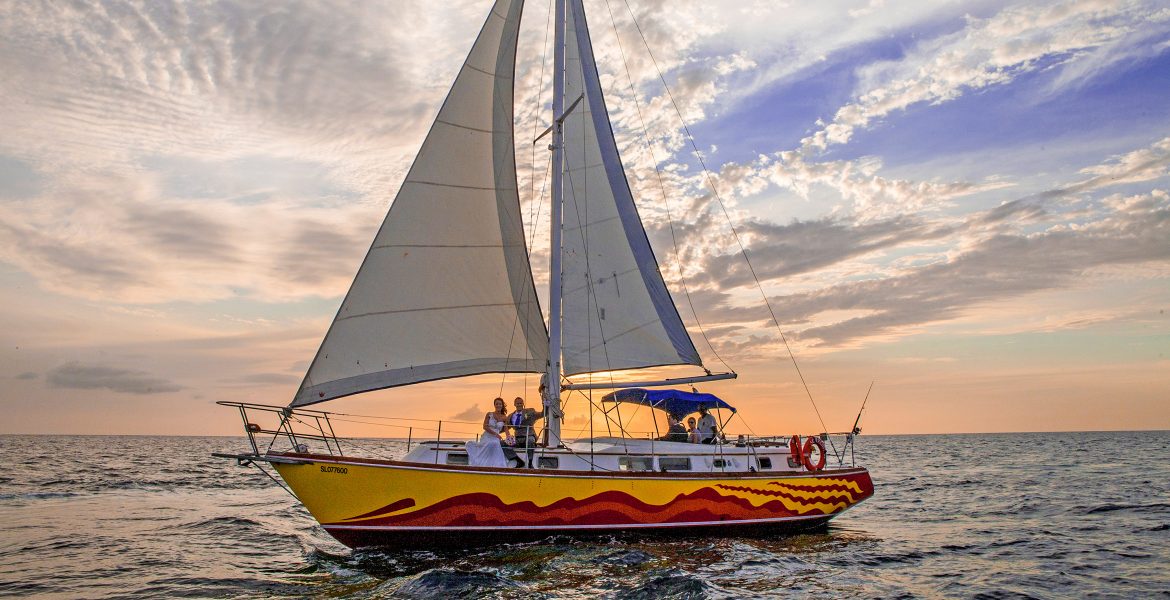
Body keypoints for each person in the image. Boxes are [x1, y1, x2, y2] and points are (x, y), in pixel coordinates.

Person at [464, 397, 512, 467]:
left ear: (502, 405)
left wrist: (509, 438)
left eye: (500, 404)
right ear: (494, 405)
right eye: (497, 404)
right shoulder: (489, 414)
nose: (498, 405)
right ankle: (486, 464)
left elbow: (506, 430)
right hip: (488, 435)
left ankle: (494, 465)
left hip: (496, 438)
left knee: (495, 443)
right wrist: (495, 434)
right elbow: (485, 427)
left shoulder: (504, 417)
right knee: (493, 443)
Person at [509, 396, 544, 468]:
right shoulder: (510, 416)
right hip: (517, 438)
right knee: (503, 443)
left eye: (520, 403)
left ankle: (530, 462)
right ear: (514, 404)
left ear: (523, 404)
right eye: (517, 403)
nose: (519, 404)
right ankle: (518, 460)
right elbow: (505, 426)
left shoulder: (530, 412)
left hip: (529, 435)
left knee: (530, 440)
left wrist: (545, 404)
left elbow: (542, 414)